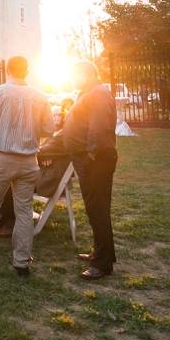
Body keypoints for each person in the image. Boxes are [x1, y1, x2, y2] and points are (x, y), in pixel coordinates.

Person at [0, 56, 55, 277]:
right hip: (28, 159)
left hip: (2, 157)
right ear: (27, 71)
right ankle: (22, 262)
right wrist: (31, 133)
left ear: (8, 70)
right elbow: (48, 128)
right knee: (24, 211)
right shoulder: (40, 96)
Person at [64, 60, 118, 280]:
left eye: (74, 74)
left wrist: (90, 154)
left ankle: (102, 265)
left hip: (96, 161)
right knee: (95, 208)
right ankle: (102, 252)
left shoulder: (98, 93)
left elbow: (98, 127)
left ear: (87, 73)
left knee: (98, 209)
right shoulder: (90, 92)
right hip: (89, 160)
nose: (72, 78)